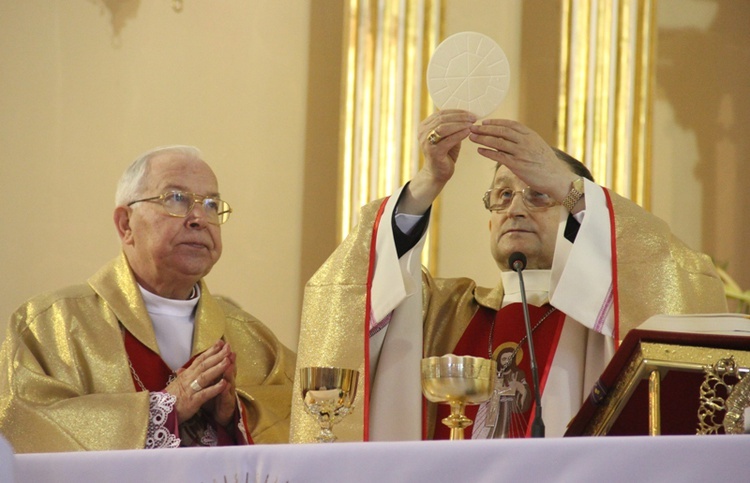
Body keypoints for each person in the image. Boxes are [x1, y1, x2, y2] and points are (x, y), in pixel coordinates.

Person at [289, 110, 728, 442]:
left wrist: (569, 186)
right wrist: (426, 182)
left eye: (539, 194)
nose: (515, 208)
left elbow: (679, 282)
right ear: (489, 221)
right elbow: (347, 294)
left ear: (579, 218)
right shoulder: (444, 311)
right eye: (502, 195)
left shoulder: (602, 323)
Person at [0, 146, 295, 452]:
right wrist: (162, 411)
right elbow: (24, 428)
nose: (199, 219)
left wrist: (237, 414)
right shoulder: (50, 324)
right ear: (125, 224)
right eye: (176, 199)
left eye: (211, 204)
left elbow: (310, 422)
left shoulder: (254, 338)